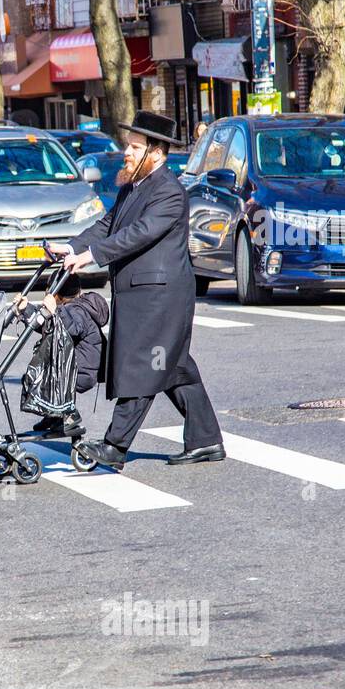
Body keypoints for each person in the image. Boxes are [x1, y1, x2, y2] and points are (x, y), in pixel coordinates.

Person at [48, 110, 224, 470]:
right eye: (128, 145)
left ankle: (115, 445)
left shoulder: (170, 192)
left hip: (161, 297)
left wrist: (91, 257)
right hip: (141, 294)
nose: (126, 152)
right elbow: (109, 224)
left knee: (143, 365)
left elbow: (138, 233)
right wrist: (73, 246)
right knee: (173, 366)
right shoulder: (133, 186)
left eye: (134, 146)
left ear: (156, 152)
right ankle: (206, 441)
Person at [13, 279, 109, 437]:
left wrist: (54, 311)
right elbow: (46, 323)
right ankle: (54, 416)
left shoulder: (77, 310)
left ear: (56, 294)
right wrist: (26, 309)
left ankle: (69, 415)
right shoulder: (72, 308)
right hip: (73, 368)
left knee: (37, 378)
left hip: (79, 372)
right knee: (40, 374)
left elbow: (72, 328)